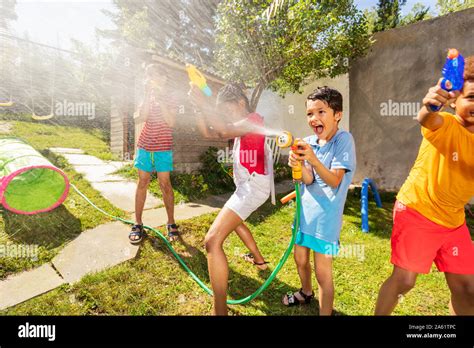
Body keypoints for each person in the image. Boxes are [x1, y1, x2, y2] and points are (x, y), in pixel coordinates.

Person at [375, 56, 474, 315]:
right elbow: (427, 119)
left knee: (467, 288)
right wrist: (430, 105)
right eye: (472, 97)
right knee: (404, 282)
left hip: (453, 222)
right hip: (418, 211)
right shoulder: (447, 125)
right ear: (454, 101)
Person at [190, 83, 276, 315]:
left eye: (228, 110)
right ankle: (259, 260)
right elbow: (209, 133)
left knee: (211, 241)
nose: (227, 116)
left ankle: (220, 311)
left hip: (253, 187)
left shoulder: (253, 120)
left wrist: (203, 102)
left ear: (240, 103)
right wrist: (199, 109)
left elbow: (222, 130)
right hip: (245, 188)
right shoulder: (241, 125)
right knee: (235, 222)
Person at [281, 86, 356, 316]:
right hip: (305, 215)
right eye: (310, 114)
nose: (314, 118)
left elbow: (334, 181)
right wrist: (298, 165)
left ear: (337, 115)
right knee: (300, 259)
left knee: (323, 273)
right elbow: (309, 178)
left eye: (321, 112)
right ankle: (305, 292)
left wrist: (312, 159)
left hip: (325, 220)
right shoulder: (310, 142)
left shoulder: (343, 140)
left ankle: (325, 313)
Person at [129, 64, 179, 244]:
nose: (152, 79)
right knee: (142, 182)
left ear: (164, 78)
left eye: (155, 75)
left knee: (165, 184)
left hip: (163, 147)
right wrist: (146, 97)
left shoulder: (172, 97)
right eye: (149, 76)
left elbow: (171, 122)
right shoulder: (147, 96)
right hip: (145, 145)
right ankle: (138, 223)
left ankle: (171, 223)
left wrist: (161, 100)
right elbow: (140, 117)